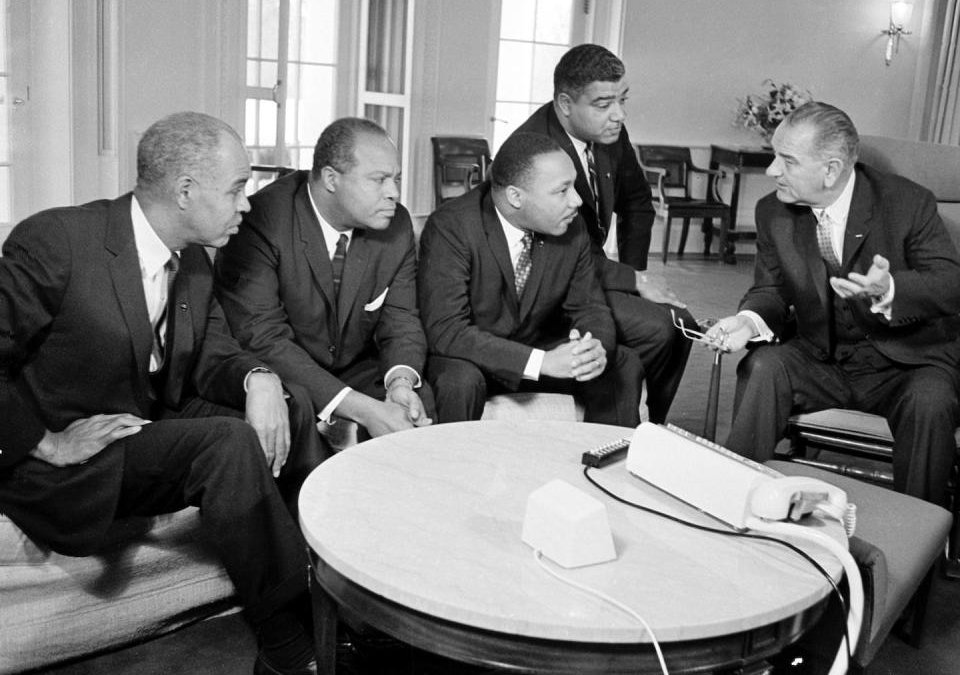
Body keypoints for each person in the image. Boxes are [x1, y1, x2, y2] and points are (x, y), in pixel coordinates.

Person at [0, 112, 323, 675]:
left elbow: (215, 351)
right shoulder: (57, 241)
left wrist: (259, 378)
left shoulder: (195, 258)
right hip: (78, 455)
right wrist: (46, 444)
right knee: (223, 443)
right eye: (237, 188)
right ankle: (287, 644)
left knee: (293, 403)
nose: (246, 205)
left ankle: (318, 587)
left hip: (145, 415)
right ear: (185, 190)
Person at [704, 102, 960, 505]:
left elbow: (949, 283)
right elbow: (771, 289)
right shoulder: (773, 210)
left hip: (906, 364)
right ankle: (737, 504)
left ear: (831, 169)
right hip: (821, 360)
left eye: (787, 161)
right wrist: (749, 321)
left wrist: (891, 288)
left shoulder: (908, 203)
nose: (771, 171)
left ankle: (920, 533)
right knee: (762, 366)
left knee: (933, 401)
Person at [215, 117, 433, 442]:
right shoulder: (261, 221)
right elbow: (264, 339)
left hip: (354, 363)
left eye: (396, 179)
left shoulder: (396, 224)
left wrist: (399, 382)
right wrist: (362, 409)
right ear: (331, 179)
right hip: (281, 369)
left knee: (417, 404)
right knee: (299, 409)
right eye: (379, 180)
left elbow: (401, 320)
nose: (394, 193)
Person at [513, 43, 694, 423]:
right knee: (661, 327)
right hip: (553, 288)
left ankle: (649, 421)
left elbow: (638, 205)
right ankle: (610, 410)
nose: (619, 115)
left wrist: (633, 277)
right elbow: (556, 252)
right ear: (565, 104)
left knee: (681, 324)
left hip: (596, 271)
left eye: (622, 100)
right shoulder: (534, 151)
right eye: (604, 104)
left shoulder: (612, 135)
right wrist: (631, 280)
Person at [419, 130, 643, 426]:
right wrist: (541, 362)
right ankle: (456, 470)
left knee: (622, 363)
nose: (576, 201)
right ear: (515, 197)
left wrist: (594, 347)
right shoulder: (452, 227)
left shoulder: (572, 227)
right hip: (471, 357)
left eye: (574, 187)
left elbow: (590, 307)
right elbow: (447, 331)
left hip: (533, 347)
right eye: (562, 190)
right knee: (458, 381)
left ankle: (606, 464)